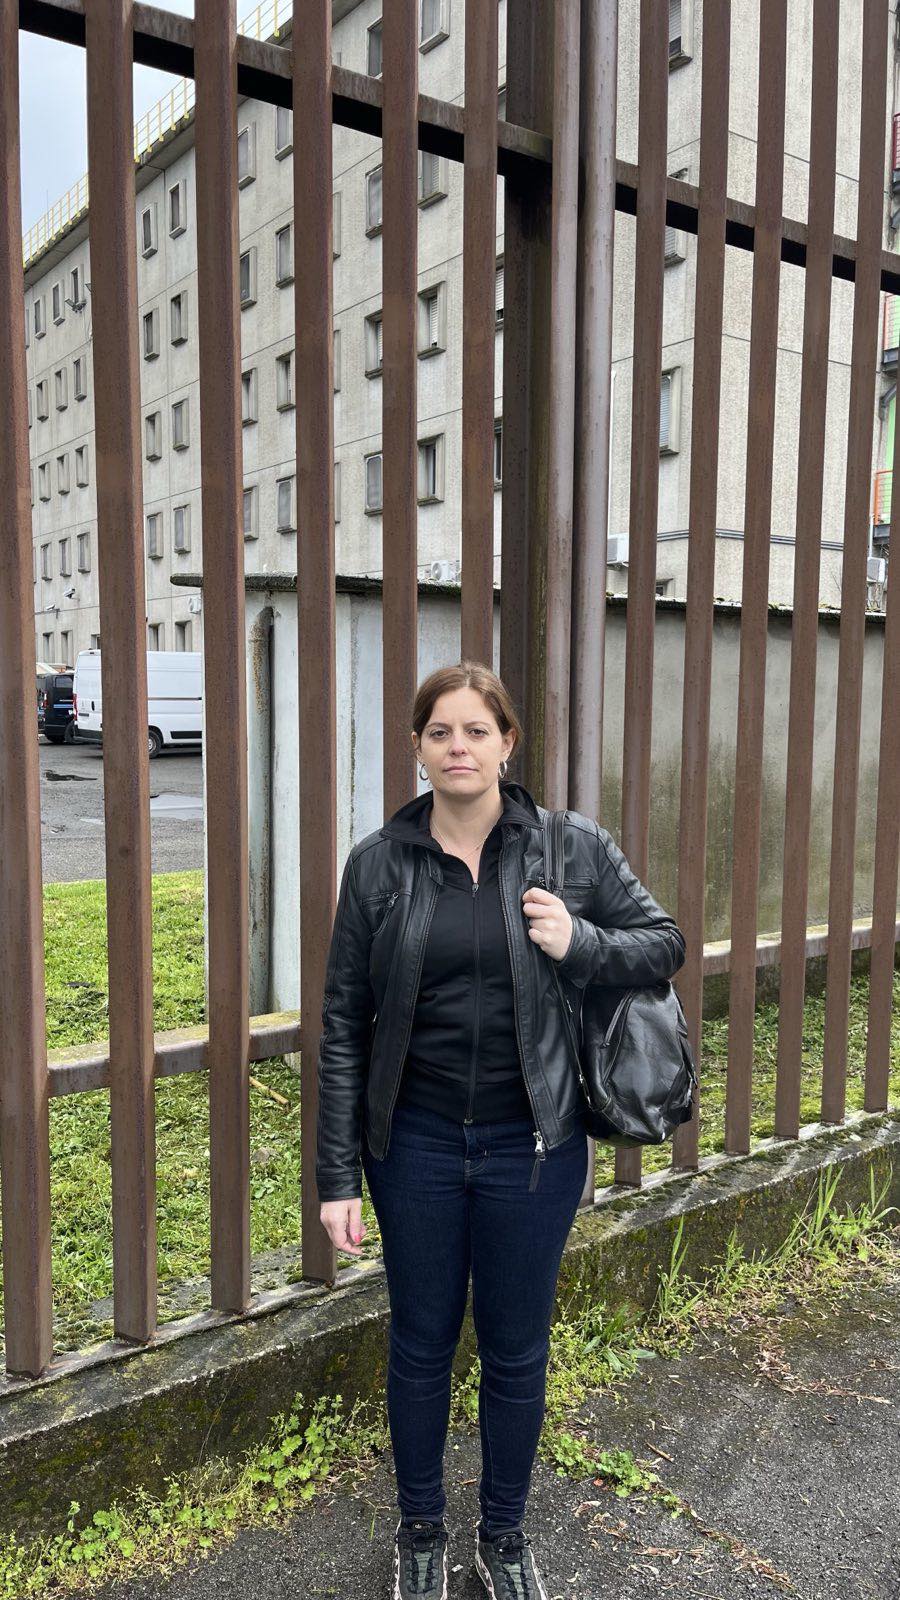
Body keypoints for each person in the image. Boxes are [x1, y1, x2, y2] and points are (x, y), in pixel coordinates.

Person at [316, 660, 686, 1600]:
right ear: (417, 747)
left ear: (508, 744)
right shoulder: (378, 866)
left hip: (534, 1148)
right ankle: (421, 1531)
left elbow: (665, 942)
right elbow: (343, 1025)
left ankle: (505, 1534)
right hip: (416, 1148)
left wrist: (582, 941)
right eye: (440, 732)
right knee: (421, 1342)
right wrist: (336, 1178)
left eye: (477, 731)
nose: (459, 748)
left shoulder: (571, 849)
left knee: (517, 1350)